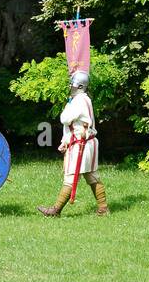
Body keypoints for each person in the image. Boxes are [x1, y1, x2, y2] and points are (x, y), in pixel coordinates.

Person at [38, 70, 109, 216]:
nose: (71, 86)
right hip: (85, 143)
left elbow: (64, 119)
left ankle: (56, 210)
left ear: (80, 86)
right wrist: (65, 141)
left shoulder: (79, 101)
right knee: (92, 175)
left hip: (81, 145)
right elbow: (72, 126)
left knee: (70, 176)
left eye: (73, 84)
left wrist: (68, 104)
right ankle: (103, 208)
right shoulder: (84, 99)